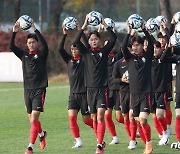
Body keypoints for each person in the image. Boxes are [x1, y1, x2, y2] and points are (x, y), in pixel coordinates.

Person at [74, 14, 117, 154]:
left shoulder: (104, 52)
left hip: (102, 89)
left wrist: (105, 24)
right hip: (89, 90)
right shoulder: (85, 52)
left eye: (95, 39)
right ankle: (101, 140)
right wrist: (85, 24)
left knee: (100, 116)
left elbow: (114, 38)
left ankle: (99, 145)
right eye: (91, 39)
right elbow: (75, 40)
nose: (93, 41)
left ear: (99, 41)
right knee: (93, 118)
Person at [9, 20, 48, 154]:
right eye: (29, 42)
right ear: (27, 44)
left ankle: (30, 146)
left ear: (37, 43)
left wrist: (35, 29)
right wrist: (14, 32)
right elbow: (11, 46)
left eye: (33, 42)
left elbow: (46, 45)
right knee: (32, 120)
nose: (31, 44)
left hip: (39, 89)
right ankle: (42, 134)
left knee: (34, 118)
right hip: (27, 91)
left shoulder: (42, 55)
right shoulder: (24, 55)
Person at [58, 24, 93, 148]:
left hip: (85, 94)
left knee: (87, 121)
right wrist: (64, 35)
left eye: (76, 49)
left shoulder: (85, 59)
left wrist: (80, 30)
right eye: (72, 49)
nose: (73, 51)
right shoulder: (69, 60)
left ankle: (100, 131)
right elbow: (60, 50)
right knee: (72, 119)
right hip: (73, 95)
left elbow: (87, 46)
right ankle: (78, 141)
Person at [121, 21, 153, 154]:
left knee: (143, 119)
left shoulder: (147, 57)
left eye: (137, 45)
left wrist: (144, 30)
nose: (134, 48)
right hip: (133, 95)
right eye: (133, 46)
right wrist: (129, 32)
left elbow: (151, 43)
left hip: (146, 94)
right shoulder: (129, 58)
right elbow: (123, 47)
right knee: (137, 120)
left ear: (142, 46)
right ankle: (146, 142)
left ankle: (149, 144)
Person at [112, 56, 138, 149]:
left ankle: (132, 140)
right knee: (125, 117)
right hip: (123, 93)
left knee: (131, 117)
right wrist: (121, 80)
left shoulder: (136, 61)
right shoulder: (118, 64)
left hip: (134, 92)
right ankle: (133, 136)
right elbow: (113, 79)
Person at [160, 43, 180, 149]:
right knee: (178, 116)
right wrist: (168, 47)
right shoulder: (177, 58)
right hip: (179, 91)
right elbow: (163, 59)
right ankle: (179, 141)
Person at [104, 39, 123, 145]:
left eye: (110, 45)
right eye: (106, 45)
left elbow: (123, 47)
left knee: (120, 118)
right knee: (107, 115)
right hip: (107, 90)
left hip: (118, 89)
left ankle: (134, 126)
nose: (109, 47)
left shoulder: (117, 56)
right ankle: (115, 137)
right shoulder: (102, 58)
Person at [151, 41, 169, 145]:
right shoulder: (148, 59)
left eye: (157, 47)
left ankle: (166, 132)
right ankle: (162, 135)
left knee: (159, 115)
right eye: (153, 47)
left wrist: (169, 46)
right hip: (150, 91)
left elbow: (165, 54)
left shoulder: (164, 59)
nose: (155, 49)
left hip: (161, 90)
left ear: (161, 49)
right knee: (154, 116)